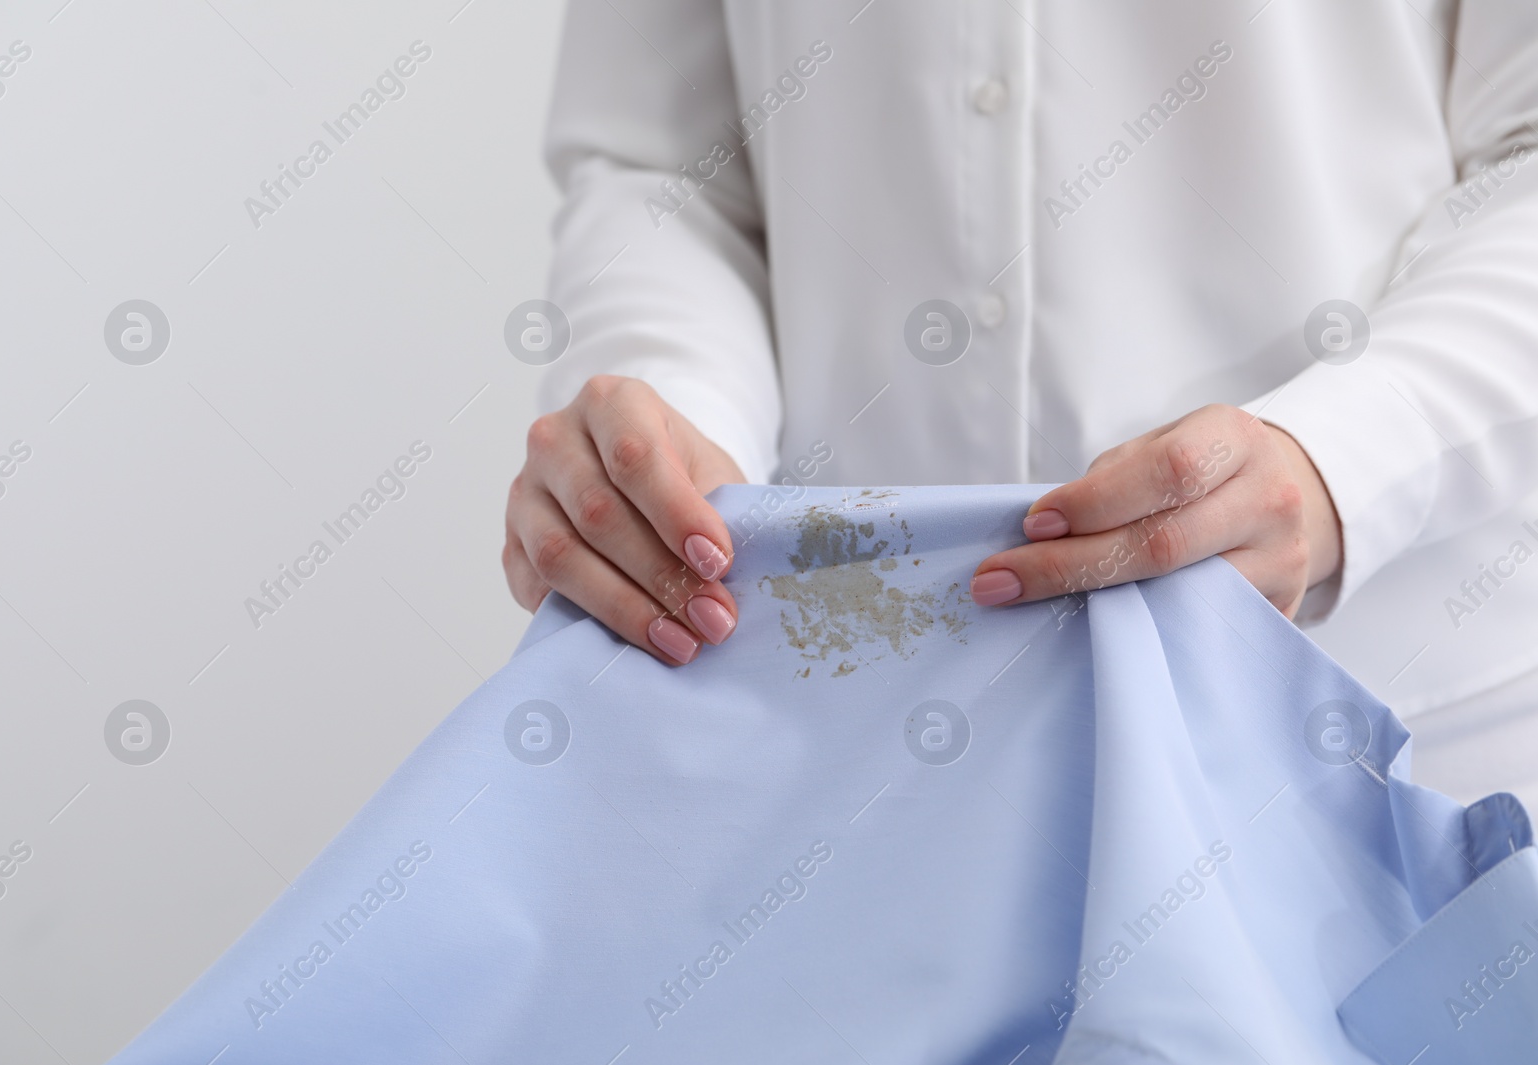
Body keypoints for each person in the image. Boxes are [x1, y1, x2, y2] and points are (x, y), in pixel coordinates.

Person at [504, 1, 1538, 800]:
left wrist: (1337, 459)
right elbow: (661, 161)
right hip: (850, 726)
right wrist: (673, 414)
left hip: (1385, 715)